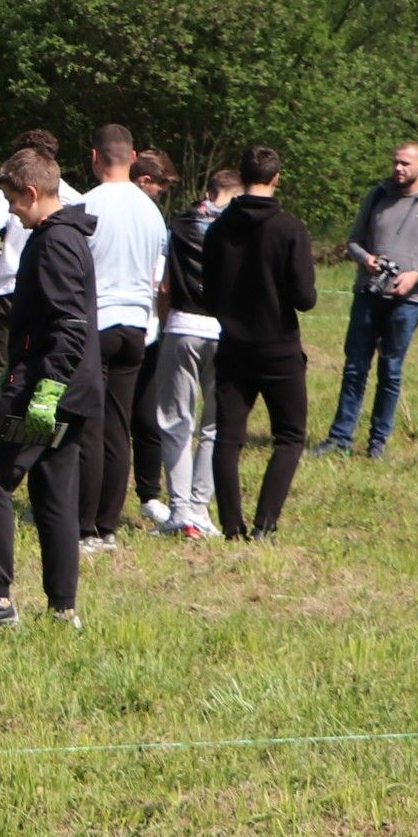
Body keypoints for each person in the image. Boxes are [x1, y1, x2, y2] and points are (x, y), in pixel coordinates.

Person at [0, 148, 98, 630]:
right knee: (55, 493)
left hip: (47, 387)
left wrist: (47, 388)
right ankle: (63, 609)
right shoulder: (66, 234)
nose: (11, 210)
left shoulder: (55, 241)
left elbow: (71, 323)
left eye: (14, 200)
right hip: (73, 387)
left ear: (32, 193)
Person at [202, 144, 317, 541]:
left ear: (242, 175)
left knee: (228, 437)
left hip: (233, 345)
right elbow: (305, 298)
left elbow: (209, 295)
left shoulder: (218, 229)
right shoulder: (290, 229)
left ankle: (232, 527)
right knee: (289, 436)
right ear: (276, 178)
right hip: (279, 346)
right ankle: (265, 525)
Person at [319, 141, 418, 461]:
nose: (398, 168)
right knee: (354, 368)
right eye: (396, 162)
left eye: (406, 163)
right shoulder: (377, 196)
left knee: (390, 371)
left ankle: (377, 443)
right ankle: (340, 438)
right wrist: (365, 259)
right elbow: (353, 241)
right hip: (368, 294)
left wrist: (415, 275)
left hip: (408, 302)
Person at [75, 125, 168, 552]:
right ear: (133, 158)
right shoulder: (152, 210)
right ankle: (109, 525)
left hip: (97, 323)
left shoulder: (86, 204)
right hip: (137, 324)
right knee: (118, 425)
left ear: (95, 156)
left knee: (89, 427)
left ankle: (86, 524)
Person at [154, 167, 239, 541]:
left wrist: (164, 322)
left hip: (182, 325)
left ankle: (179, 510)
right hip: (225, 330)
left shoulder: (180, 223)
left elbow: (164, 285)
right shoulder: (240, 228)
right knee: (214, 425)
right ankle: (202, 508)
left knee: (176, 421)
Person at [128, 150, 178, 520]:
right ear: (144, 181)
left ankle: (149, 494)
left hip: (148, 330)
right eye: (159, 187)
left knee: (147, 417)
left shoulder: (155, 220)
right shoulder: (123, 212)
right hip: (126, 327)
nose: (160, 194)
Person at [0, 129, 84, 307]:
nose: (12, 208)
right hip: (19, 286)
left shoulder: (74, 200)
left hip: (23, 287)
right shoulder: (78, 200)